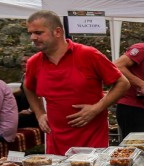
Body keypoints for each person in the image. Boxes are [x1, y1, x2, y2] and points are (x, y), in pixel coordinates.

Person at [24, 10, 130, 155]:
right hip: (56, 141)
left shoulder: (88, 54)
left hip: (92, 139)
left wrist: (96, 108)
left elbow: (123, 83)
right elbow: (28, 87)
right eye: (30, 33)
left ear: (58, 32)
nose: (33, 37)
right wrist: (39, 113)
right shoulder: (34, 62)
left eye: (38, 32)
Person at [14, 54, 38, 128]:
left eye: (26, 62)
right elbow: (21, 90)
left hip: (34, 113)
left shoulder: (36, 77)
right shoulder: (25, 76)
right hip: (24, 107)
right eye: (22, 62)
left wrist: (29, 110)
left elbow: (39, 96)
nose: (23, 64)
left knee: (11, 121)